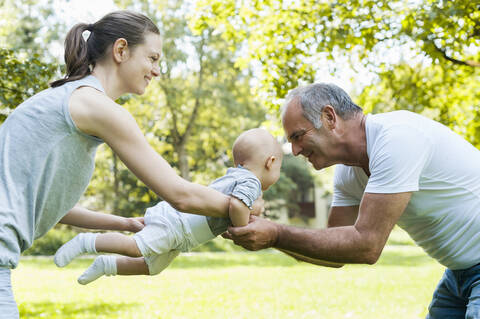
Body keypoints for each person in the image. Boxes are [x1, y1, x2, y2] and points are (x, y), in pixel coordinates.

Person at [0, 10, 256, 318]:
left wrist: (124, 224)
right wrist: (242, 203)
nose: (157, 70)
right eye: (152, 58)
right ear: (121, 50)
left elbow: (47, 206)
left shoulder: (69, 100)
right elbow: (180, 194)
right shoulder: (98, 107)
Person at [224, 83, 480, 318]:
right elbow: (335, 253)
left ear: (329, 117)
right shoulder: (348, 173)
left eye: (297, 136)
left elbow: (367, 245)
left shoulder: (397, 138)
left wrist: (276, 234)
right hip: (459, 274)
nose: (295, 150)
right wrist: (266, 235)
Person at [53, 128, 282, 284]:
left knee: (152, 267)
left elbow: (238, 205)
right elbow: (237, 207)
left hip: (183, 233)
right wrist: (243, 228)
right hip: (177, 224)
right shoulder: (251, 181)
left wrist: (251, 208)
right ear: (270, 163)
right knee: (136, 248)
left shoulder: (239, 176)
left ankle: (107, 265)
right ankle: (85, 242)